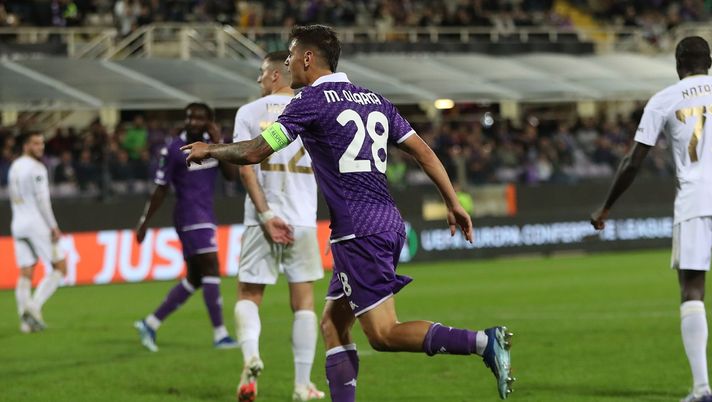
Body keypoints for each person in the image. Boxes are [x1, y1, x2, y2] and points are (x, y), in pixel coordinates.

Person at [182, 25, 514, 401]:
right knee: (333, 325)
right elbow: (423, 151)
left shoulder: (308, 102)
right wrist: (453, 201)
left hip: (359, 232)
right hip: (383, 222)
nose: (288, 63)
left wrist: (211, 150)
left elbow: (256, 151)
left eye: (291, 55)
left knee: (384, 334)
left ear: (308, 58)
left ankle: (483, 341)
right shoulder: (374, 99)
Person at [590, 36, 712, 402]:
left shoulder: (665, 99)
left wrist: (606, 206)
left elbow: (634, 161)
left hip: (695, 202)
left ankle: (702, 388)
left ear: (678, 64)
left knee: (692, 291)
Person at [232, 51, 326, 401]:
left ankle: (251, 357)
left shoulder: (250, 112)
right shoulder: (313, 112)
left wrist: (267, 214)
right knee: (303, 304)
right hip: (302, 220)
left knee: (248, 295)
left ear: (274, 76)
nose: (258, 81)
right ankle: (302, 386)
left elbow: (245, 165)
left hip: (263, 220)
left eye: (261, 74)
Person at [133, 103, 237, 352]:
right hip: (189, 216)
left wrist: (217, 141)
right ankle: (220, 334)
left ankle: (151, 323)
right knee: (212, 267)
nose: (193, 122)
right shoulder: (173, 149)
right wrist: (144, 220)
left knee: (195, 278)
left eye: (200, 118)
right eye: (190, 118)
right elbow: (161, 189)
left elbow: (232, 176)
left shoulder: (212, 146)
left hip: (206, 214)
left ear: (208, 121)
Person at [9, 132, 67, 333]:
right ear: (26, 145)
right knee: (60, 267)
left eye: (42, 143)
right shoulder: (37, 168)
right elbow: (43, 201)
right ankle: (32, 308)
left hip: (18, 223)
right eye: (35, 143)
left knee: (26, 272)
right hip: (36, 224)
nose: (40, 147)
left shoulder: (15, 166)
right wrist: (53, 226)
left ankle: (26, 324)